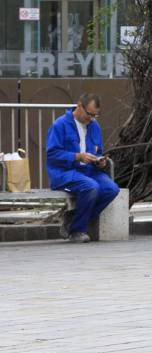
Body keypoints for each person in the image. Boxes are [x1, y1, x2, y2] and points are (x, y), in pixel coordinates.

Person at [45, 93, 118, 243]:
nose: (91, 118)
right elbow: (52, 154)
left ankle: (74, 218)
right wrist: (77, 156)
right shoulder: (60, 125)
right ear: (79, 106)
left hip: (89, 171)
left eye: (95, 115)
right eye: (89, 114)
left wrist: (99, 160)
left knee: (111, 189)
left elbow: (97, 151)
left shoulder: (94, 126)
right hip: (63, 172)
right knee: (91, 187)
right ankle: (77, 230)